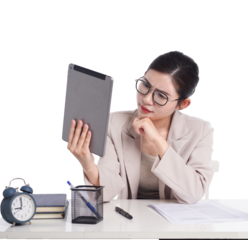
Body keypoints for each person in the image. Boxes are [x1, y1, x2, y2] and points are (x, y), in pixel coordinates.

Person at [66, 49, 215, 204]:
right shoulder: (114, 123)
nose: (147, 99)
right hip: (131, 221)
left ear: (183, 104)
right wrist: (89, 164)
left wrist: (157, 139)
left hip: (176, 224)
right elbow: (106, 192)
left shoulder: (201, 131)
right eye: (146, 85)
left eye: (161, 96)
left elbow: (195, 192)